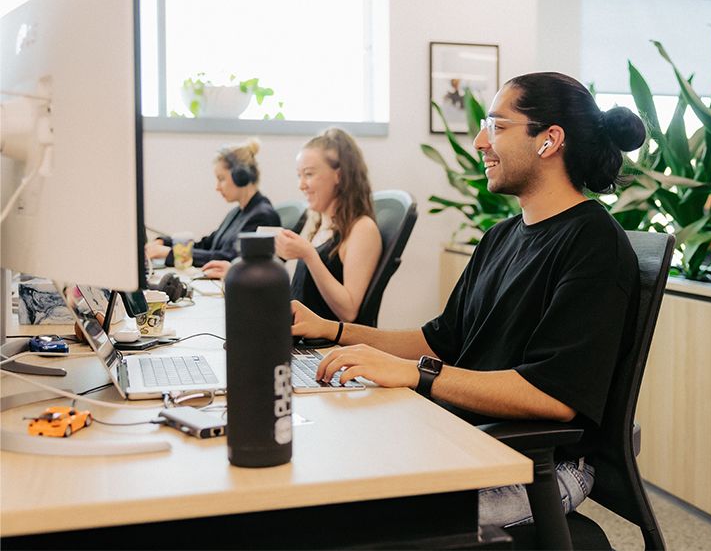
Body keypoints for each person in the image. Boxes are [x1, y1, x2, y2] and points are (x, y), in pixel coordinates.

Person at [290, 72, 646, 528]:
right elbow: (438, 340)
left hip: (532, 467)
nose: (480, 141)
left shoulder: (593, 244)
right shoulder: (501, 237)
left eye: (497, 126)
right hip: (471, 437)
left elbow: (552, 396)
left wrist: (415, 375)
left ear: (550, 140)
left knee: (336, 511)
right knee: (322, 463)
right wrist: (334, 331)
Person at [203, 128, 382, 324]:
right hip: (300, 335)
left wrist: (309, 255)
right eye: (299, 175)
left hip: (328, 346)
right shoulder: (318, 225)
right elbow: (300, 300)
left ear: (339, 175)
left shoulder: (362, 229)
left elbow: (348, 312)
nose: (301, 185)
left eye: (309, 174)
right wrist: (241, 276)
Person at [145, 138, 280, 268]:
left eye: (221, 179)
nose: (217, 187)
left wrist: (168, 253)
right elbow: (207, 245)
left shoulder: (262, 216)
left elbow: (228, 259)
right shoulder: (238, 213)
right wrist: (166, 242)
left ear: (241, 176)